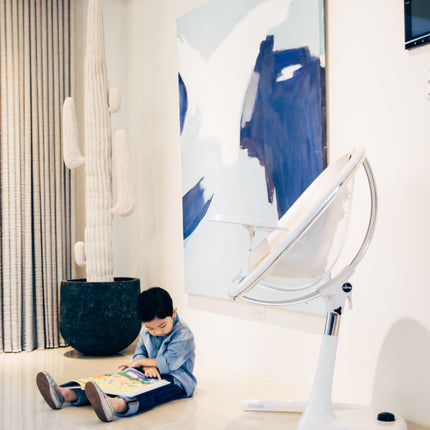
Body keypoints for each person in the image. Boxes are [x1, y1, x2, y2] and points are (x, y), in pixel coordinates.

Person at [36, 287, 197, 422]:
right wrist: (142, 365)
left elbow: (167, 364)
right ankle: (66, 393)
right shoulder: (147, 331)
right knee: (116, 379)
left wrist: (141, 363)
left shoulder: (184, 335)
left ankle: (117, 405)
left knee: (152, 391)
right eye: (151, 328)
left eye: (162, 326)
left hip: (176, 379)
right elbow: (140, 352)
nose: (157, 332)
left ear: (174, 313)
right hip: (147, 371)